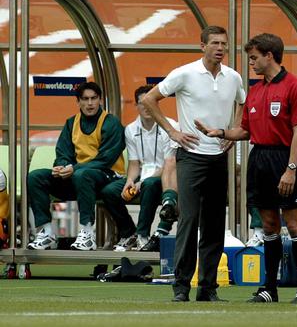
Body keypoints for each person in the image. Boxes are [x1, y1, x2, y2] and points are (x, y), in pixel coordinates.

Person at [142, 25, 245, 303]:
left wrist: (233, 133)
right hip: (190, 156)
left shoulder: (233, 77)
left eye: (224, 43)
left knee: (214, 224)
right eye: (214, 43)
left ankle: (208, 288)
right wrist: (173, 132)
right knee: (188, 219)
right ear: (202, 46)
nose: (220, 48)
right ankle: (181, 286)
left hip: (219, 157)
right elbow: (149, 99)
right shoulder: (184, 73)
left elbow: (243, 105)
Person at [211, 33, 297, 304]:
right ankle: (269, 288)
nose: (252, 63)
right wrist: (220, 132)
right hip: (259, 160)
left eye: (254, 58)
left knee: (294, 224)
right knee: (268, 225)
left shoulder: (295, 85)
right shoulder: (255, 91)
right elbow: (245, 130)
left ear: (270, 56)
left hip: (284, 159)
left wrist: (291, 169)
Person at [27, 82, 126, 251]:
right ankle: (47, 233)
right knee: (35, 177)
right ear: (78, 101)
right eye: (85, 99)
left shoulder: (111, 122)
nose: (90, 103)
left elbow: (105, 159)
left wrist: (74, 169)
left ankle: (87, 233)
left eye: (94, 99)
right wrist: (62, 167)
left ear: (100, 100)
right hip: (79, 178)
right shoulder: (71, 122)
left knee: (83, 175)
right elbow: (63, 152)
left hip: (107, 177)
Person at [100, 85, 179, 252]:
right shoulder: (130, 129)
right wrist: (130, 181)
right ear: (136, 105)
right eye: (142, 103)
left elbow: (169, 164)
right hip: (141, 176)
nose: (146, 107)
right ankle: (129, 232)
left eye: (150, 102)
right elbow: (134, 163)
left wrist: (141, 183)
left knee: (149, 184)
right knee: (109, 191)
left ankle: (143, 235)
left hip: (164, 178)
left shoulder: (170, 126)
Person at [246, 122, 297, 247]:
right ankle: (259, 231)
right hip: (277, 177)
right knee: (260, 179)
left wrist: (287, 173)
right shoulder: (274, 129)